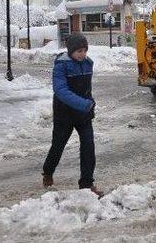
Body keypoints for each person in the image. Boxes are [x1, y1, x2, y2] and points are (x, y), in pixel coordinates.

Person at [42, 33, 103, 198]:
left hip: (83, 115)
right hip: (64, 114)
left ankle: (86, 184)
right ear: (70, 51)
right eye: (79, 51)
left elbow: (86, 89)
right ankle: (47, 172)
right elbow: (61, 91)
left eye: (84, 50)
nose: (82, 54)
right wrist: (84, 104)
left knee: (88, 147)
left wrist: (90, 102)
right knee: (58, 145)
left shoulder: (88, 63)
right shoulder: (61, 66)